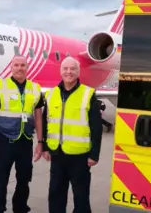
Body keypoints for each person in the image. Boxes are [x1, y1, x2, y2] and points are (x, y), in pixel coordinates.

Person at [0, 55, 45, 213]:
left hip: (25, 142)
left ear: (27, 68)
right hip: (5, 142)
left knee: (24, 180)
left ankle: (20, 208)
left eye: (22, 65)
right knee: (0, 181)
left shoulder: (35, 88)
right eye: (16, 65)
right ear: (11, 67)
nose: (19, 68)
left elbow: (38, 117)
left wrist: (40, 142)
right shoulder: (1, 86)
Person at [41, 56, 103, 213]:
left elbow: (97, 127)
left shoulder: (88, 94)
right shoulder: (51, 94)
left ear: (78, 71)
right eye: (65, 68)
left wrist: (94, 155)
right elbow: (45, 122)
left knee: (81, 198)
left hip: (80, 156)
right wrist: (45, 148)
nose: (69, 72)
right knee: (55, 195)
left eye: (73, 69)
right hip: (57, 154)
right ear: (60, 71)